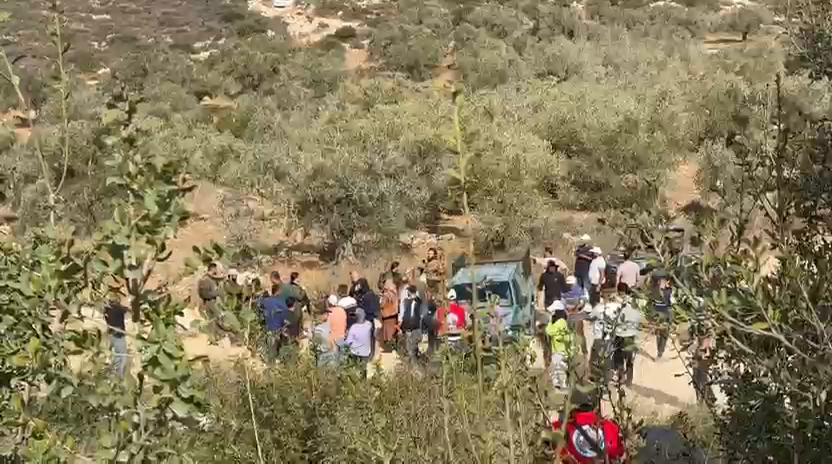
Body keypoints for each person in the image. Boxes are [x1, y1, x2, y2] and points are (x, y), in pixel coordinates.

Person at [550, 396, 625, 463]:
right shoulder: (612, 429)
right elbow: (591, 419)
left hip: (568, 436)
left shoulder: (612, 428)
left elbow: (592, 419)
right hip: (569, 440)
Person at [612, 293, 641, 386]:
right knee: (629, 360)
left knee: (619, 357)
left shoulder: (620, 310)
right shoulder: (636, 311)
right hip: (631, 337)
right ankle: (629, 380)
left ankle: (621, 377)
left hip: (620, 336)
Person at [546, 301, 574, 391]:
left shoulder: (560, 322)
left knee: (560, 368)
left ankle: (563, 386)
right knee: (556, 368)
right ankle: (558, 385)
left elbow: (549, 331)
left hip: (561, 350)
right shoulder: (560, 321)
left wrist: (550, 320)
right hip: (558, 349)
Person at [198, 262, 225, 343]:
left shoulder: (210, 279)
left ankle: (213, 338)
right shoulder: (205, 280)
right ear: (212, 269)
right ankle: (211, 338)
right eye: (216, 269)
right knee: (214, 319)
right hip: (208, 302)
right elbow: (204, 294)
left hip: (212, 302)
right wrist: (216, 293)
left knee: (214, 320)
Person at [260, 289, 291, 361]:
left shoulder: (266, 301)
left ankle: (270, 361)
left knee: (270, 348)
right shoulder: (282, 303)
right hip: (278, 329)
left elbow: (258, 302)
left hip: (268, 329)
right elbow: (287, 316)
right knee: (278, 348)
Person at [105, 287, 129, 378]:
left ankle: (113, 374)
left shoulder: (107, 309)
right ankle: (118, 375)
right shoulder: (118, 309)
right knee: (122, 357)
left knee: (117, 356)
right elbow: (127, 311)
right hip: (119, 334)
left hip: (112, 334)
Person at [399, 285, 424, 362]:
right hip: (410, 328)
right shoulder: (408, 301)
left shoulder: (418, 302)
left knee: (412, 348)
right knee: (410, 348)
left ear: (409, 292)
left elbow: (421, 315)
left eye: (408, 291)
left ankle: (415, 365)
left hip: (414, 328)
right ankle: (414, 363)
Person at [346, 307, 373, 374]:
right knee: (363, 370)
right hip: (366, 352)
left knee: (355, 370)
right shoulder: (369, 324)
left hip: (355, 352)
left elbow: (348, 342)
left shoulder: (353, 327)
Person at [652, 275, 674, 360]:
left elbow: (672, 303)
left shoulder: (670, 291)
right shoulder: (657, 291)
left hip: (666, 314)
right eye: (661, 281)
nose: (662, 283)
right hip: (659, 314)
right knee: (659, 334)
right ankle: (659, 351)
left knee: (664, 334)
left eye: (664, 281)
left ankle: (660, 352)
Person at [379, 279, 399, 352]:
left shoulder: (386, 294)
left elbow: (382, 304)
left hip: (387, 315)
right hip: (394, 314)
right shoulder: (395, 293)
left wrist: (380, 301)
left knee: (387, 332)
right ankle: (394, 347)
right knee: (393, 331)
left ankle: (388, 348)